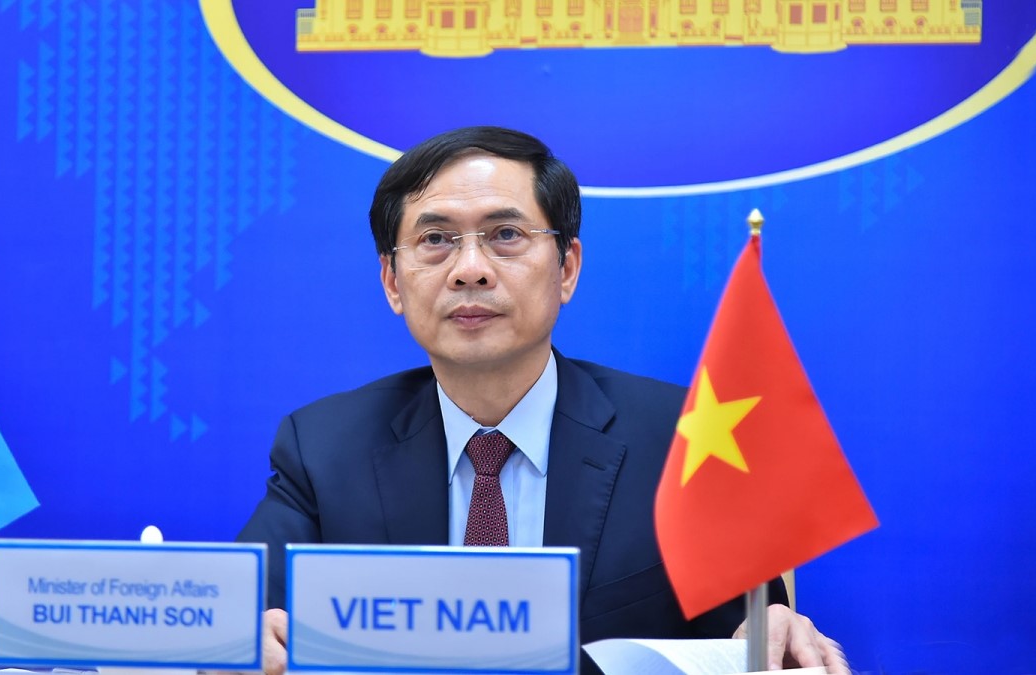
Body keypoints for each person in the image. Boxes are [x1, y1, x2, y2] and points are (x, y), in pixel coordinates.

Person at [237, 126, 848, 674]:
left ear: (566, 268)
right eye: (436, 239)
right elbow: (244, 616)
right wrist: (241, 637)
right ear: (393, 282)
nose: (469, 269)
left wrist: (773, 633)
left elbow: (754, 638)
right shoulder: (326, 448)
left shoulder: (681, 439)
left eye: (506, 235)